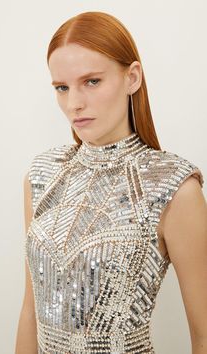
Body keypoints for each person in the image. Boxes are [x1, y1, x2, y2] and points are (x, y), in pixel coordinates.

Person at [15, 11, 207, 354]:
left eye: (92, 81)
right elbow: (31, 311)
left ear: (132, 77)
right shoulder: (42, 176)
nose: (74, 103)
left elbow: (204, 334)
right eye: (62, 87)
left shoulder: (173, 188)